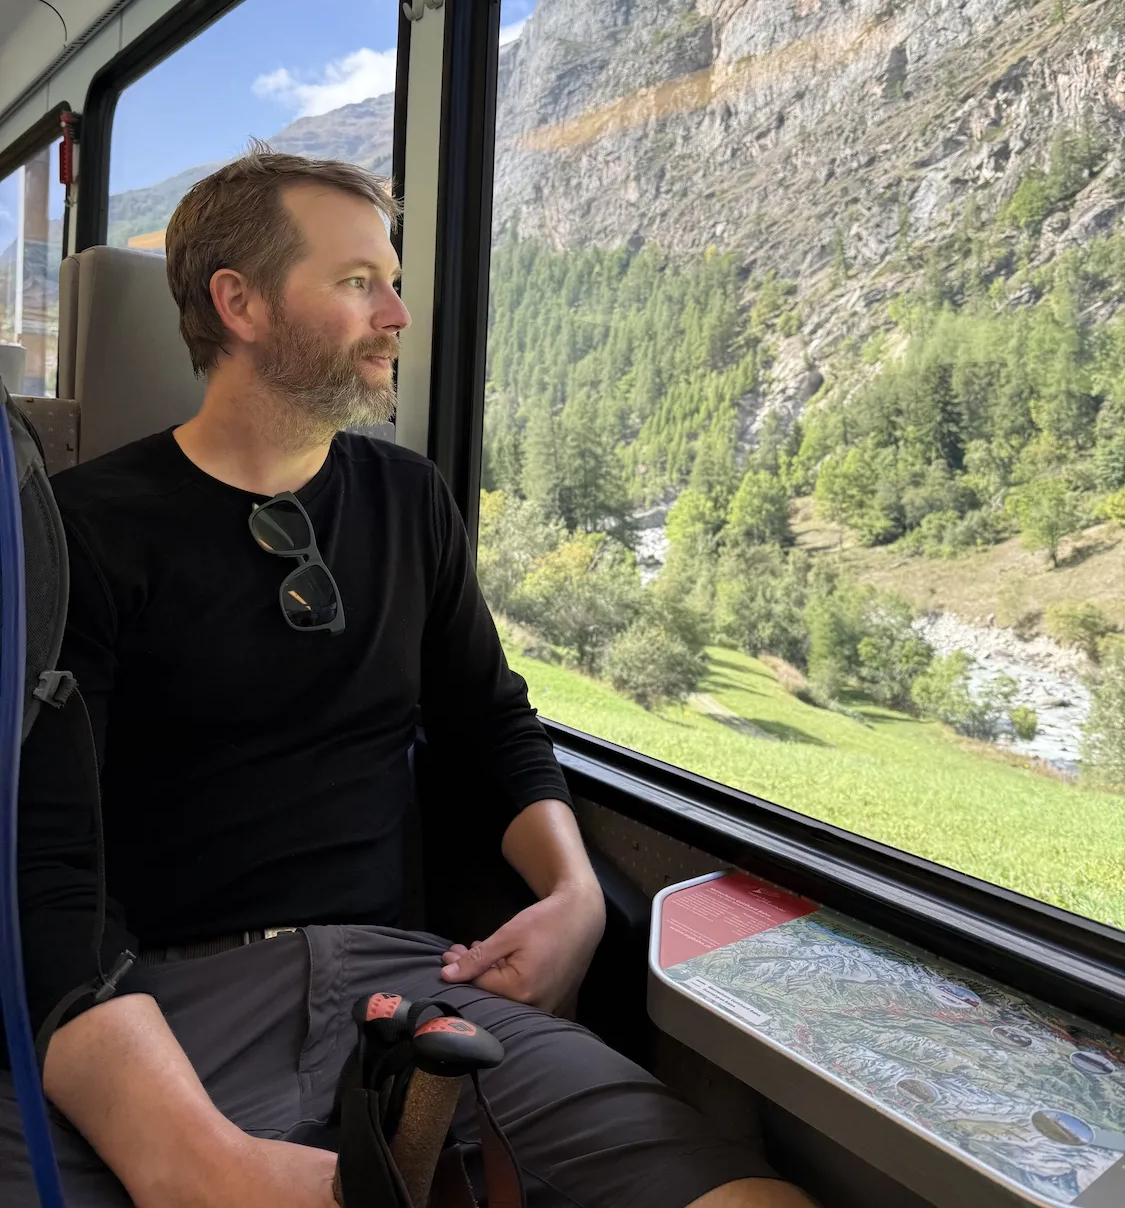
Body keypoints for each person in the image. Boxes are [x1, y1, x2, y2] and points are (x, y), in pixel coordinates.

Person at [1, 150, 811, 1208]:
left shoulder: (410, 500)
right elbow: (44, 867)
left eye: (394, 280)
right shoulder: (76, 532)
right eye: (356, 284)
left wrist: (573, 897)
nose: (396, 313)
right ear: (237, 304)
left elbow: (492, 724)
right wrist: (188, 1156)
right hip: (151, 1009)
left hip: (415, 988)